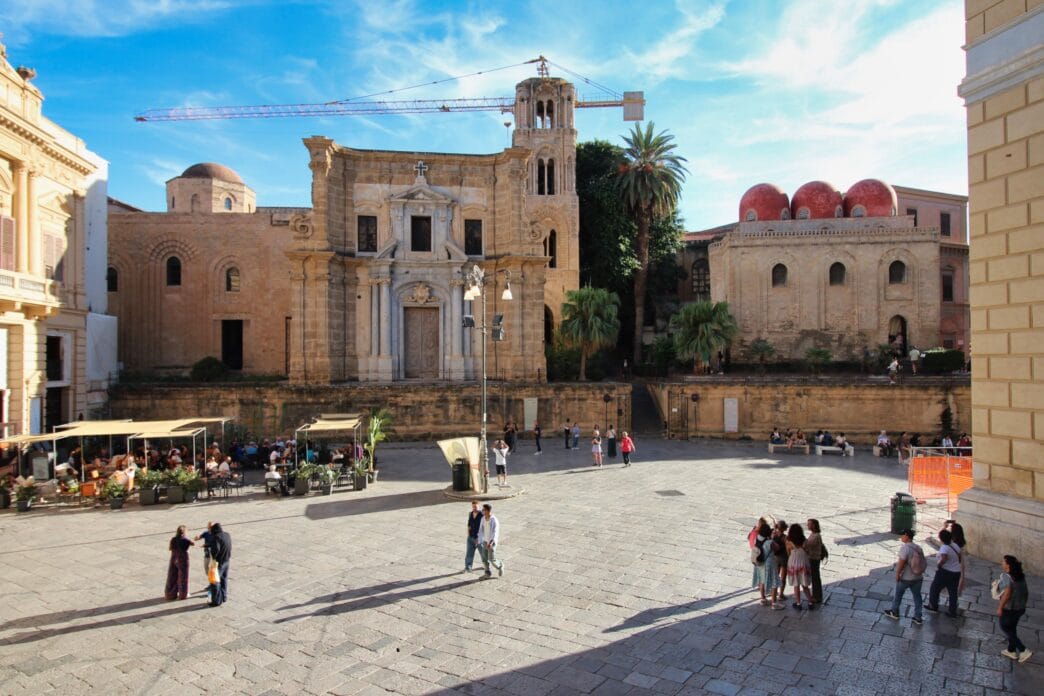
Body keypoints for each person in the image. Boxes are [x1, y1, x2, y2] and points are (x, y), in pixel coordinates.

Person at [883, 529, 925, 625]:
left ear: (906, 536)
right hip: (918, 577)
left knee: (898, 595)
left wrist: (897, 574)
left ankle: (894, 611)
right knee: (917, 597)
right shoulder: (918, 548)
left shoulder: (905, 548)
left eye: (902, 535)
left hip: (906, 577)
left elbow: (901, 563)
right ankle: (918, 617)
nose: (901, 537)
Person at [995, 555, 1032, 662]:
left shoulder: (1006, 577)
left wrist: (1000, 607)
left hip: (1009, 608)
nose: (1002, 563)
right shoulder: (1020, 576)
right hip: (1020, 608)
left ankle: (1023, 650)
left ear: (1008, 565)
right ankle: (1011, 650)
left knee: (1005, 627)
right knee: (1012, 628)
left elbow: (1007, 594)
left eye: (1003, 561)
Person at [926, 528, 962, 618]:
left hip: (946, 571)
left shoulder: (944, 548)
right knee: (953, 592)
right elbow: (960, 557)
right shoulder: (955, 546)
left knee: (935, 588)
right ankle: (952, 611)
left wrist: (939, 565)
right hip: (956, 572)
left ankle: (933, 606)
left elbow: (944, 558)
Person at [786, 523, 812, 609]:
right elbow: (808, 551)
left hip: (793, 563)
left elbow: (788, 552)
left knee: (796, 585)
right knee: (805, 585)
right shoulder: (805, 540)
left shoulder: (788, 541)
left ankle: (798, 603)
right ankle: (810, 602)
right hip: (803, 563)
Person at [164, 525, 194, 601]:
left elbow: (170, 548)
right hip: (183, 559)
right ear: (184, 532)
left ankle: (170, 594)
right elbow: (192, 543)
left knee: (172, 575)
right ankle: (183, 594)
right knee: (183, 576)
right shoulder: (186, 540)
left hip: (174, 557)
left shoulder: (173, 539)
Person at [207, 522, 232, 607]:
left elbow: (216, 550)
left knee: (215, 581)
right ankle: (224, 596)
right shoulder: (227, 534)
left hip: (219, 562)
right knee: (224, 579)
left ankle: (216, 600)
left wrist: (213, 557)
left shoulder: (216, 538)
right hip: (227, 560)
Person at [477, 503, 503, 579]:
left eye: (483, 510)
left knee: (491, 559)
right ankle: (487, 573)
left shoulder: (494, 520)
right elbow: (480, 530)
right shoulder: (483, 518)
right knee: (484, 558)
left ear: (488, 511)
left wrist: (491, 542)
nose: (482, 511)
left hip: (491, 542)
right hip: (485, 542)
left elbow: (495, 532)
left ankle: (500, 566)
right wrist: (478, 539)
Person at [805, 519, 827, 605]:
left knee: (815, 578)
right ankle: (816, 595)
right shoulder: (813, 534)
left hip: (814, 559)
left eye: (809, 524)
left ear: (814, 525)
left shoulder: (816, 536)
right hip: (812, 558)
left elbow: (808, 545)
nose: (807, 526)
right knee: (815, 577)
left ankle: (817, 596)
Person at [464, 500, 482, 572]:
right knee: (469, 553)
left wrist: (480, 538)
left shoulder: (482, 515)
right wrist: (468, 535)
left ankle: (487, 565)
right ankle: (468, 567)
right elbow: (469, 525)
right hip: (471, 537)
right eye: (473, 506)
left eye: (476, 506)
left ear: (478, 506)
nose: (474, 508)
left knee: (483, 553)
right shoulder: (470, 514)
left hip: (479, 538)